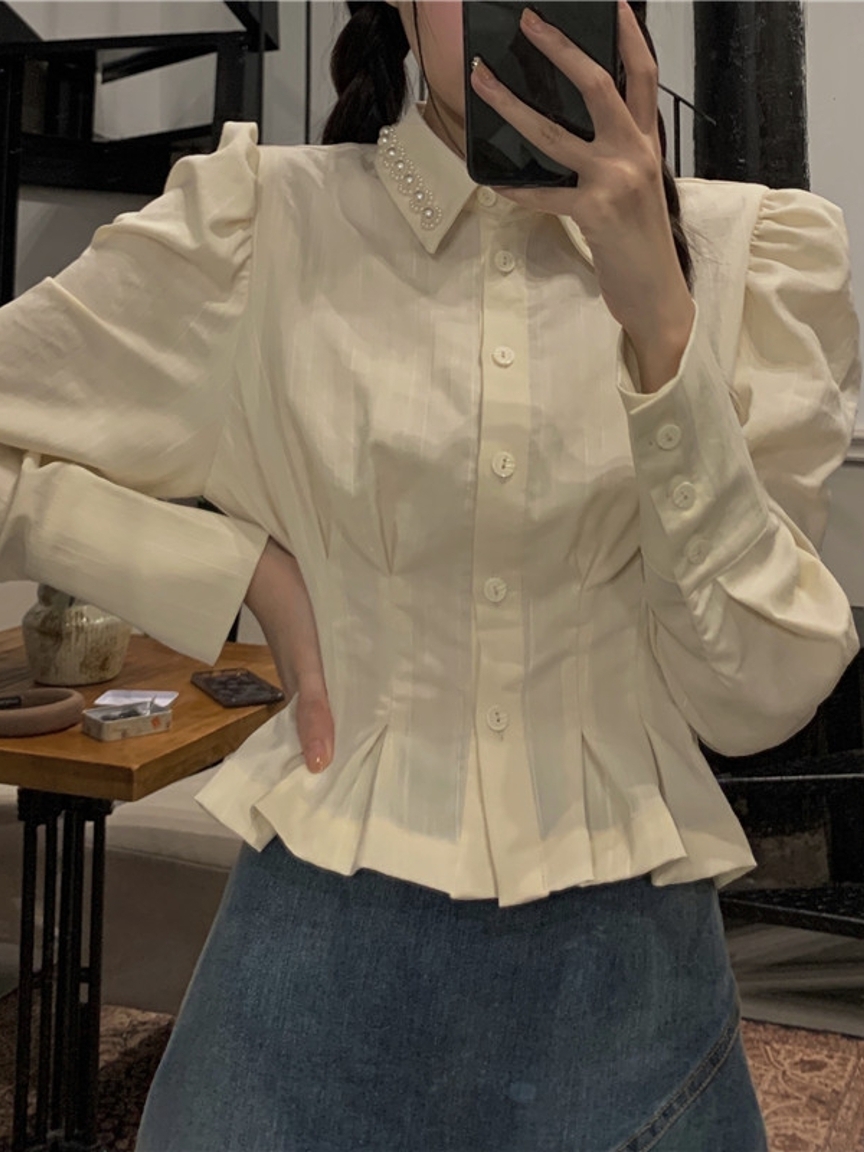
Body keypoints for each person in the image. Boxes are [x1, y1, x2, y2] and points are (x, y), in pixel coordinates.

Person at [1, 0, 859, 1148]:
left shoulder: (759, 254)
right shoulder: (256, 228)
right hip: (303, 984)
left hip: (629, 1005)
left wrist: (661, 320)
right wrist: (230, 568)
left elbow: (757, 698)